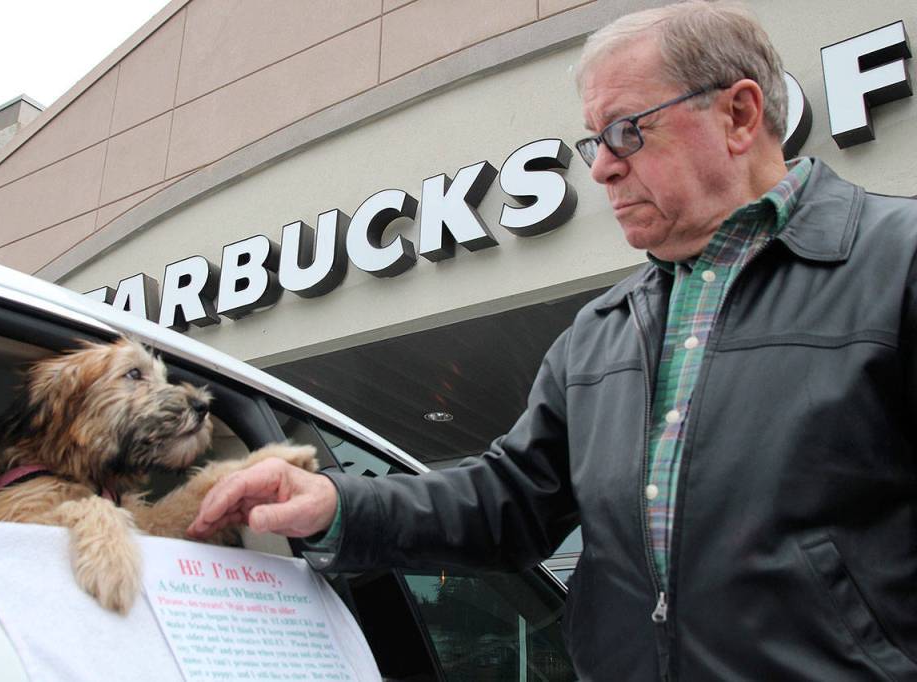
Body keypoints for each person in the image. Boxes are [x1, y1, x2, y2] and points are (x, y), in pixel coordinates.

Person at [189, 2, 917, 678]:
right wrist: (337, 505)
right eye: (593, 140)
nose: (600, 165)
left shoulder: (898, 263)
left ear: (738, 113)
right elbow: (507, 502)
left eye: (627, 130)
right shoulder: (599, 333)